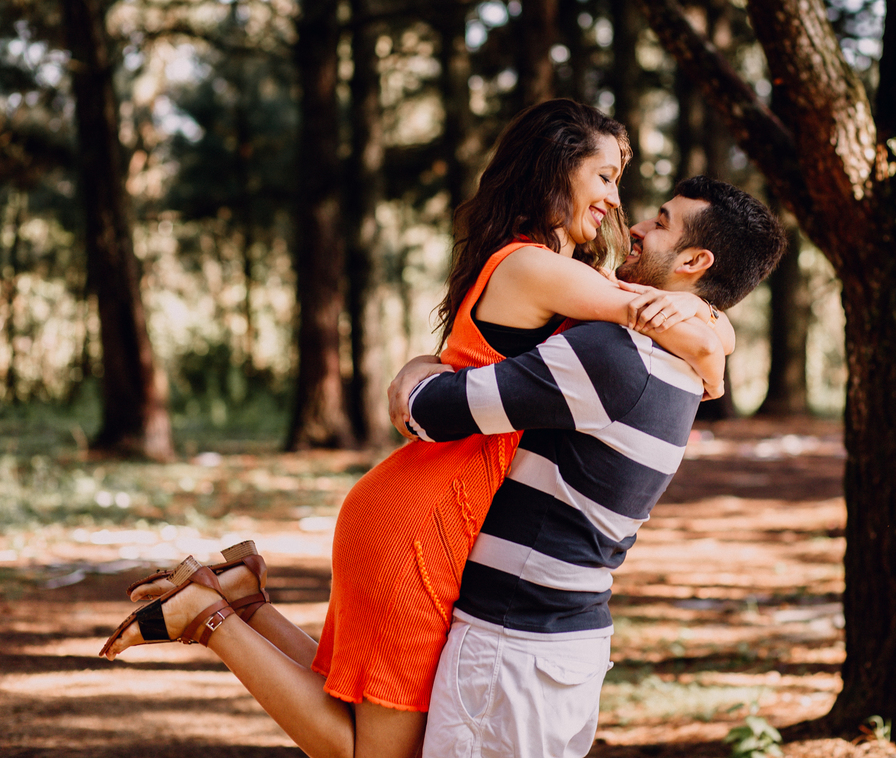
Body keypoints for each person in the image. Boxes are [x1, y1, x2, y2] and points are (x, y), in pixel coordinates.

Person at [98, 101, 734, 758]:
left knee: (360, 703)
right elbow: (660, 316)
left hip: (429, 507)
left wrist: (714, 329)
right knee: (370, 752)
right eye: (603, 176)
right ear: (556, 169)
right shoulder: (535, 267)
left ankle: (241, 600)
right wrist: (716, 350)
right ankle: (210, 620)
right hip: (426, 519)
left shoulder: (552, 269)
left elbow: (653, 311)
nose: (614, 200)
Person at [391, 176, 787, 758]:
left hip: (512, 643)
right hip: (563, 642)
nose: (638, 226)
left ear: (695, 260)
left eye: (661, 222)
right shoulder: (675, 364)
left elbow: (428, 412)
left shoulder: (613, 357)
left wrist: (418, 366)